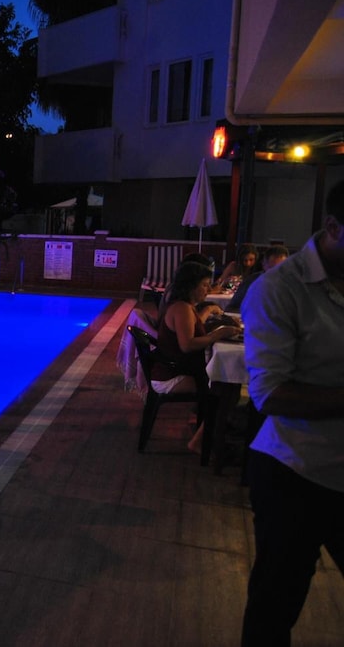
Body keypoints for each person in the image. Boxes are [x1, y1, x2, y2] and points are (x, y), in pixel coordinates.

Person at [240, 180, 344, 646]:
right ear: (333, 227)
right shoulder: (280, 289)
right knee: (274, 608)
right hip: (294, 473)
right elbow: (270, 394)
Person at [151, 261, 240, 452]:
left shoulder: (184, 306)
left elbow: (192, 325)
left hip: (174, 368)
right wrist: (218, 334)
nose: (208, 289)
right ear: (191, 286)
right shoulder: (182, 309)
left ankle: (214, 431)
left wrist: (208, 311)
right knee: (225, 389)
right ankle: (200, 440)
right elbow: (187, 345)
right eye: (204, 285)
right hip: (171, 376)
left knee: (228, 385)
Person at [226, 245, 289, 313]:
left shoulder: (292, 285)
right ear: (264, 265)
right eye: (272, 269)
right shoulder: (251, 282)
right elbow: (231, 308)